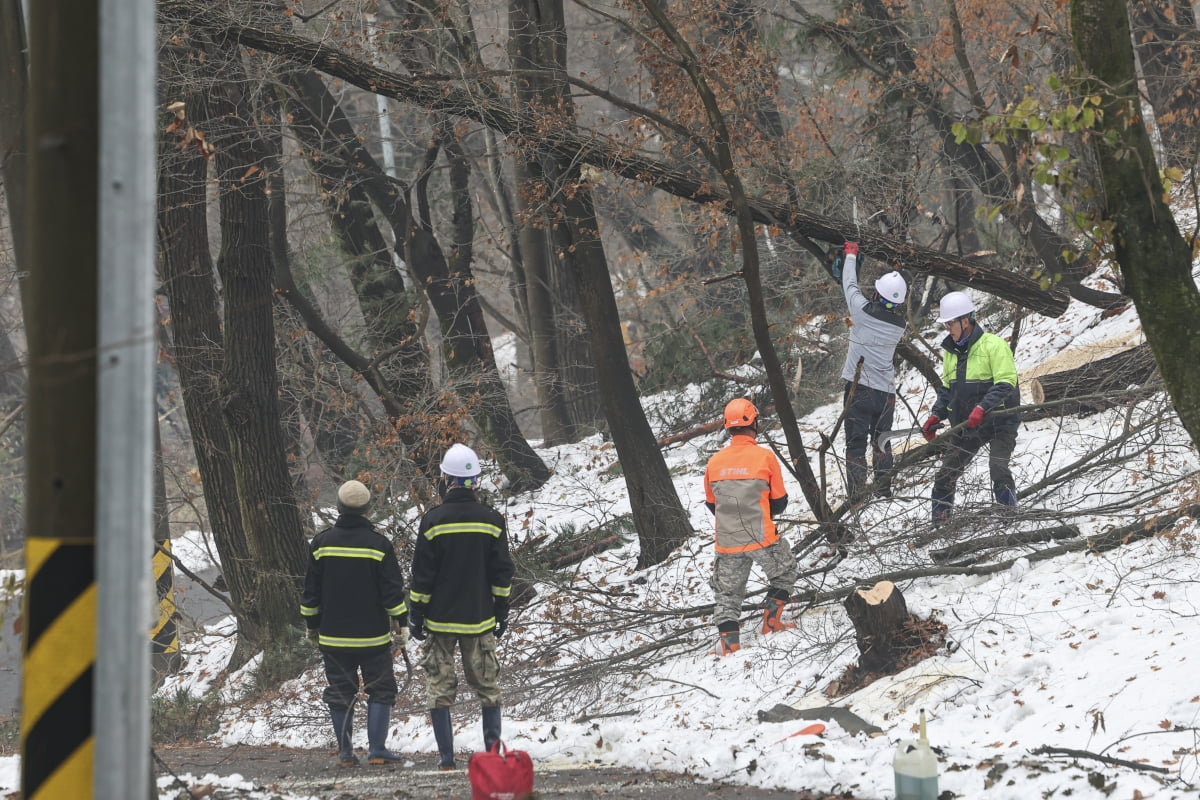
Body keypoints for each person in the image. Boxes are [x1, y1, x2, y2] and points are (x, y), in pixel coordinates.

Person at [409, 443, 514, 770]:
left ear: (445, 479)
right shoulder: (492, 520)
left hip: (440, 622)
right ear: (476, 481)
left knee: (439, 689)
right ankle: (492, 757)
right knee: (488, 688)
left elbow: (422, 577)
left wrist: (416, 615)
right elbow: (501, 572)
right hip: (479, 619)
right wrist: (501, 610)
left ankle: (446, 759)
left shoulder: (433, 521)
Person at [301, 480, 409, 766]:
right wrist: (402, 624)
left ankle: (346, 754)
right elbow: (392, 593)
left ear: (338, 507)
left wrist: (312, 627)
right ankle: (377, 751)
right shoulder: (378, 545)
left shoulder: (321, 544)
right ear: (367, 509)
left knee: (340, 692)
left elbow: (310, 594)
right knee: (381, 689)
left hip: (333, 638)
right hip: (372, 638)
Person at [703, 398, 799, 657]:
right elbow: (779, 504)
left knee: (727, 595)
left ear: (727, 426)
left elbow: (713, 505)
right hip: (761, 536)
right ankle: (771, 623)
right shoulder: (765, 457)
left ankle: (730, 646)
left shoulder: (714, 462)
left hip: (727, 539)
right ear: (754, 423)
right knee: (786, 572)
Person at [921, 291, 1021, 526]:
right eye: (946, 324)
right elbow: (947, 390)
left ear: (966, 320)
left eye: (951, 323)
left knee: (998, 467)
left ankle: (1010, 516)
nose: (948, 328)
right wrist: (936, 414)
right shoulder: (951, 352)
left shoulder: (993, 345)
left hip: (999, 420)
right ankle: (940, 523)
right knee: (945, 474)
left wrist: (982, 407)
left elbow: (1006, 382)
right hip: (968, 424)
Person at [834, 241, 908, 500]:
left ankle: (857, 496)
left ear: (877, 294)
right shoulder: (901, 324)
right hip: (886, 394)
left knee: (855, 446)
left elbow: (850, 285)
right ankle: (884, 492)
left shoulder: (861, 311)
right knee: (882, 443)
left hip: (860, 390)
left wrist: (851, 256)